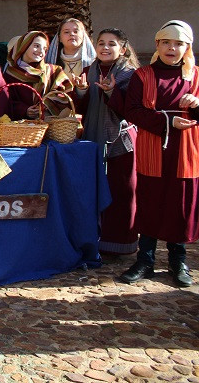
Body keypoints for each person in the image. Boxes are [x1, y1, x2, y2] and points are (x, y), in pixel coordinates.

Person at [120, 20, 199, 287]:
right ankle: (145, 261)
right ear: (157, 44)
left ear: (187, 47)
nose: (172, 48)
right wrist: (168, 122)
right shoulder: (142, 75)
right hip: (153, 149)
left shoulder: (196, 76)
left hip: (186, 153)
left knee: (180, 206)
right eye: (166, 42)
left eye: (178, 43)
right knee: (150, 203)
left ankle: (178, 262)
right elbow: (132, 111)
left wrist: (196, 105)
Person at [76, 28, 140, 255]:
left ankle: (120, 244)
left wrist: (112, 92)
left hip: (119, 143)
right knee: (92, 191)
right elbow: (81, 110)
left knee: (121, 192)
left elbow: (130, 111)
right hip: (92, 139)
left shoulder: (131, 75)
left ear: (122, 49)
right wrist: (82, 92)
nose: (105, 47)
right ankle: (93, 241)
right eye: (101, 43)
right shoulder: (88, 71)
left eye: (111, 44)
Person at [4, 31, 74, 120]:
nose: (41, 51)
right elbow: (5, 100)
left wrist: (44, 105)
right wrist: (24, 110)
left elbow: (64, 94)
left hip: (49, 127)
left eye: (45, 49)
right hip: (19, 129)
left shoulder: (54, 71)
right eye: (36, 46)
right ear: (24, 46)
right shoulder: (10, 74)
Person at [45, 17, 97, 84]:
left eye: (76, 31)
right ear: (59, 38)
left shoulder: (93, 63)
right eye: (66, 32)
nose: (72, 34)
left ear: (84, 36)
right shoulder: (50, 63)